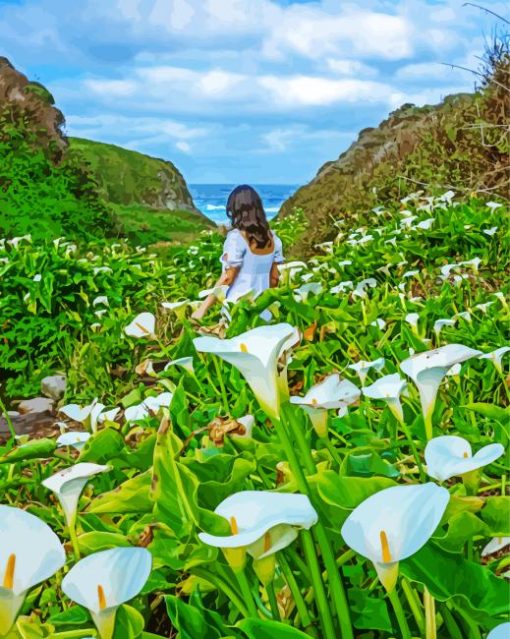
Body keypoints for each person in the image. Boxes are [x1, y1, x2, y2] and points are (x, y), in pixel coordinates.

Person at [191, 184, 284, 322]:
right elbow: (274, 279)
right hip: (263, 314)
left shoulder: (236, 238)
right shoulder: (274, 239)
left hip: (236, 312)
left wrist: (202, 309)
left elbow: (228, 278)